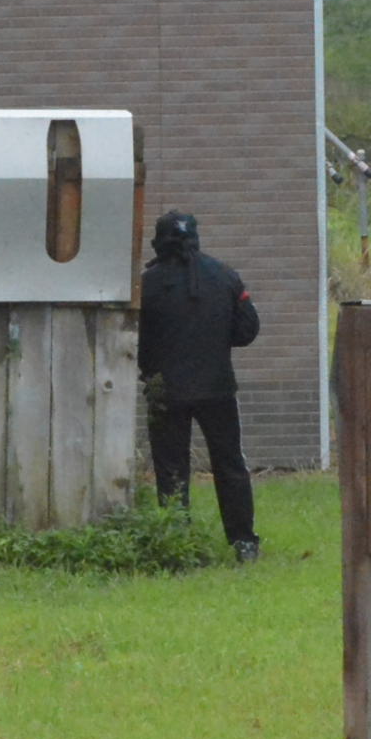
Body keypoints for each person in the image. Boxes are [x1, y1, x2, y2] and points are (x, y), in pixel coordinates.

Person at [137, 210, 262, 559]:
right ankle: (243, 541)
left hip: (165, 389)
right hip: (217, 387)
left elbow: (135, 340)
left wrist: (151, 367)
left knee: (171, 468)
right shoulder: (224, 275)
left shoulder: (146, 285)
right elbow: (247, 330)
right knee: (229, 463)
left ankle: (177, 542)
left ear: (159, 241)